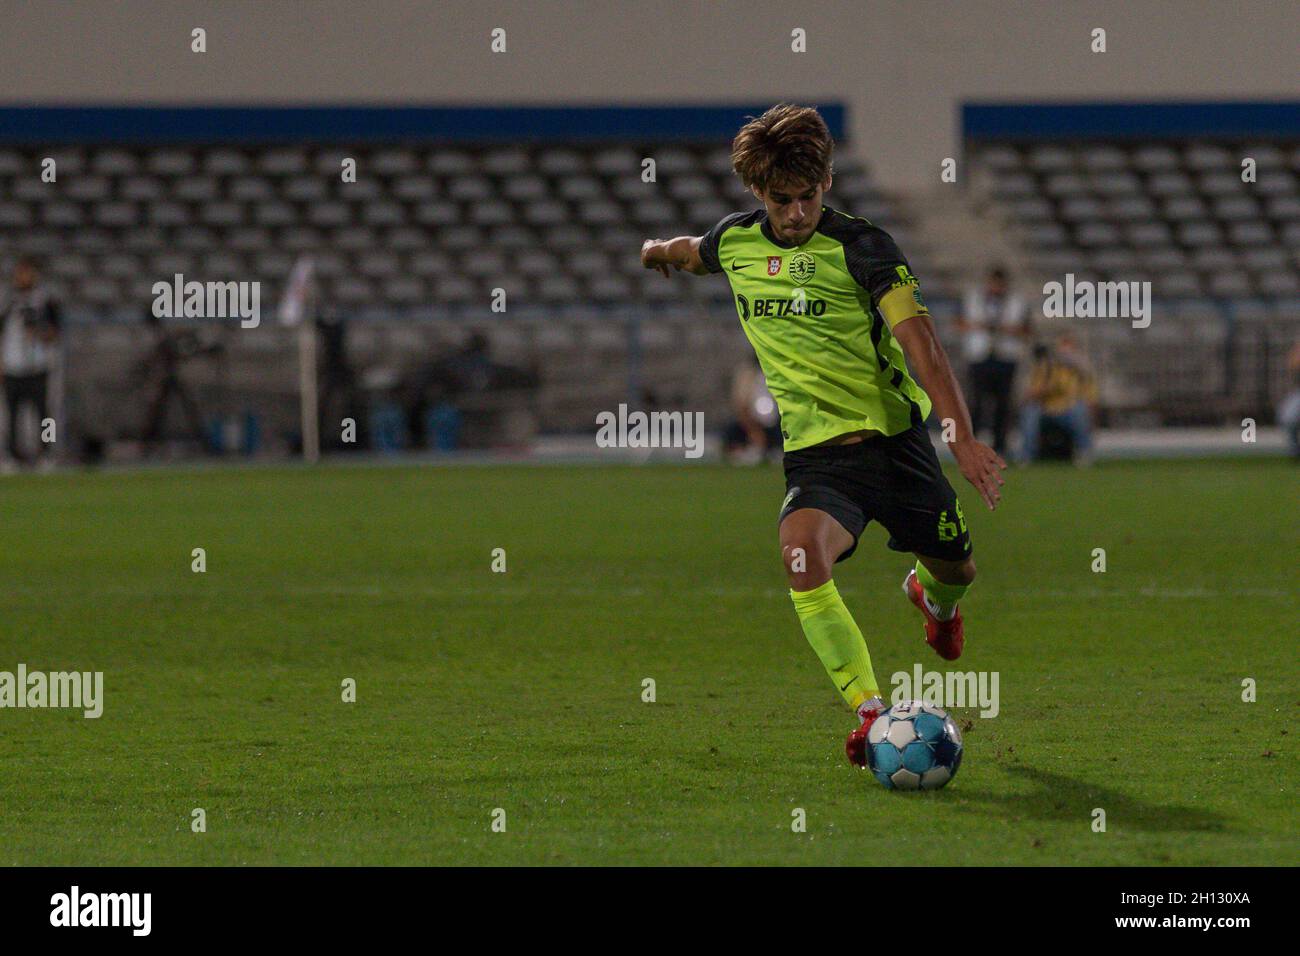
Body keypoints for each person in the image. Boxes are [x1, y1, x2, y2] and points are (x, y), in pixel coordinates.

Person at [640, 103, 1005, 768]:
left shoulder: (863, 248)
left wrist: (960, 437)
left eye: (809, 196)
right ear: (759, 193)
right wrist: (658, 251)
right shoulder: (737, 242)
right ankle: (871, 715)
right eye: (783, 200)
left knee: (959, 568)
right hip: (816, 459)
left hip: (895, 447)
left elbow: (922, 346)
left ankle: (933, 598)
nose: (798, 212)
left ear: (827, 185)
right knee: (800, 557)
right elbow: (696, 253)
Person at [959, 266, 1030, 456]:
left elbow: (1027, 330)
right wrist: (979, 326)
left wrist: (1008, 329)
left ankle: (1000, 446)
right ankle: (971, 445)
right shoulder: (973, 299)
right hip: (979, 356)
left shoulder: (1017, 302)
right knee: (976, 403)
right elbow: (959, 323)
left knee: (1003, 404)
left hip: (1005, 356)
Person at [1, 258, 62, 469]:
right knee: (11, 415)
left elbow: (56, 333)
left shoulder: (46, 301)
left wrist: (38, 331)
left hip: (38, 365)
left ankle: (47, 453)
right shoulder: (7, 301)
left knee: (44, 414)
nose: (23, 277)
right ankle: (11, 455)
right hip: (12, 366)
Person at [1018, 334, 1097, 465]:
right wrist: (1046, 388)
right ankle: (1026, 456)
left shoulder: (1082, 373)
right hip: (1046, 410)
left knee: (1080, 410)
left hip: (1068, 411)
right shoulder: (1045, 368)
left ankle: (1084, 452)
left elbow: (1091, 399)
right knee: (1030, 411)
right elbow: (1028, 396)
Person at [723, 358, 782, 464]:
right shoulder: (748, 374)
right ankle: (752, 449)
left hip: (778, 422)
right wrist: (753, 430)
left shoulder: (779, 372)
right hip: (753, 421)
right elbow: (741, 405)